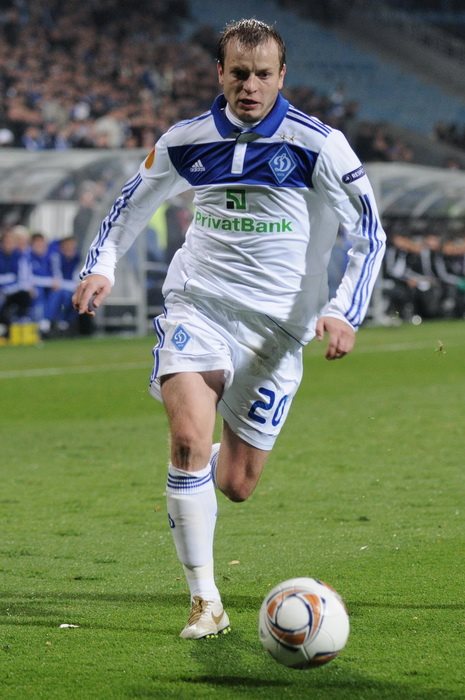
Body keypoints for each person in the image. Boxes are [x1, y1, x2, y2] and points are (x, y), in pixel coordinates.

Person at [72, 18, 386, 640]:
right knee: (188, 438)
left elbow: (369, 233)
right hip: (200, 305)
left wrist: (343, 311)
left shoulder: (319, 145)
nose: (250, 86)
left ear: (281, 76)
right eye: (239, 73)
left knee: (237, 484)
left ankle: (201, 473)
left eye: (262, 75)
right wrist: (101, 265)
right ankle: (205, 601)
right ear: (220, 73)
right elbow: (132, 202)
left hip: (277, 332)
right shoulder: (186, 139)